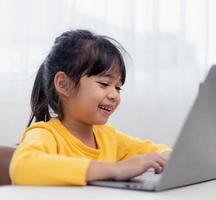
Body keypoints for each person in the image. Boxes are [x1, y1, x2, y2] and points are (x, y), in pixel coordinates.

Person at [9, 30, 171, 186]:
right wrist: (114, 169)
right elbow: (21, 166)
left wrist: (166, 157)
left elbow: (158, 151)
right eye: (104, 84)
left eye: (118, 87)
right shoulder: (46, 134)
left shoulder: (108, 137)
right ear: (63, 84)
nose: (114, 95)